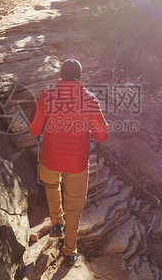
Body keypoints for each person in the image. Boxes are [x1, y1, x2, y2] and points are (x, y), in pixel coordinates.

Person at [28, 59, 109, 266]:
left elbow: (34, 130)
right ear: (80, 77)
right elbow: (101, 136)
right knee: (74, 206)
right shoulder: (89, 100)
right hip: (77, 162)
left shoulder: (47, 97)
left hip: (50, 159)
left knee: (51, 185)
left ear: (61, 76)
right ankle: (70, 250)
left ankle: (57, 223)